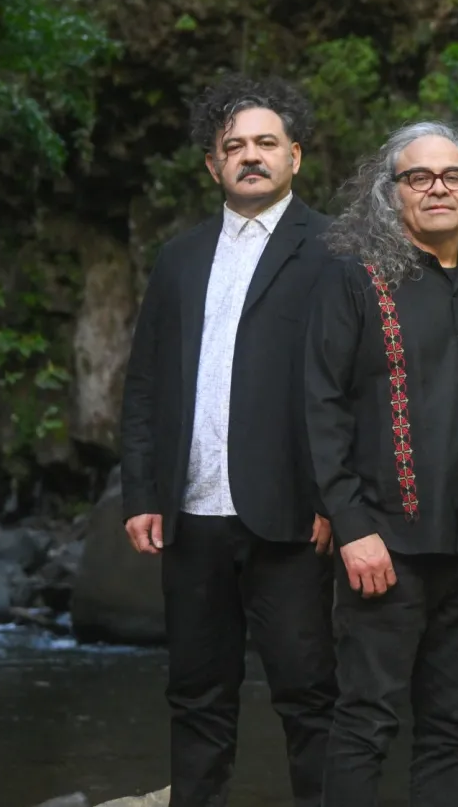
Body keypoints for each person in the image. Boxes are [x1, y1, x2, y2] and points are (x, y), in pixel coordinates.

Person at [304, 121, 458, 806]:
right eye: (419, 177)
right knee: (365, 722)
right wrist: (352, 526)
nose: (438, 188)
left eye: (453, 176)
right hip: (385, 548)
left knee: (451, 732)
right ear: (392, 193)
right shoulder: (355, 284)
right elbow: (320, 407)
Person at [118, 74, 337, 807]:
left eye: (265, 143)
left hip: (291, 517)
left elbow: (353, 390)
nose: (250, 156)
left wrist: (336, 500)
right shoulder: (178, 258)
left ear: (294, 156)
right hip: (192, 515)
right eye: (233, 146)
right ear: (213, 164)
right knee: (196, 695)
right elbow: (145, 383)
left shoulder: (334, 251)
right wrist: (142, 493)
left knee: (309, 696)